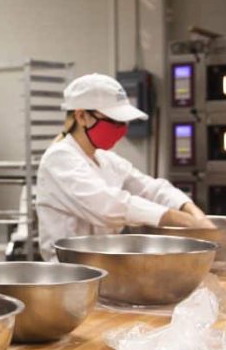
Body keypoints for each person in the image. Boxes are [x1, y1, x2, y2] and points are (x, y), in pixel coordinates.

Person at [36, 73, 214, 261]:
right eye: (114, 121)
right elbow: (108, 206)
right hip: (71, 270)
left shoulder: (105, 159)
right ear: (81, 116)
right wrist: (179, 219)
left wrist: (191, 210)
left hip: (103, 265)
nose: (121, 129)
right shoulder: (59, 159)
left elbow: (150, 188)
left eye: (123, 123)